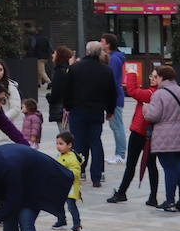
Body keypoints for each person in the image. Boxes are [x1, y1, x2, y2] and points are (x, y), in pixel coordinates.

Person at [59, 41, 116, 188]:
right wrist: (110, 110)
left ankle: (79, 171)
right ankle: (97, 176)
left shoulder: (74, 68)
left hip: (78, 110)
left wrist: (68, 106)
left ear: (86, 51)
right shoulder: (106, 70)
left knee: (78, 141)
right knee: (95, 141)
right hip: (96, 111)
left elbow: (67, 90)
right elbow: (111, 93)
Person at [141, 65, 180, 212]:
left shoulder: (159, 94)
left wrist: (146, 109)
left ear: (161, 77)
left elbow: (154, 115)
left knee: (169, 169)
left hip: (165, 136)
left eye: (156, 77)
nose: (155, 80)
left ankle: (170, 201)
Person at [106, 67, 160, 207]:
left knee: (133, 165)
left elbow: (132, 91)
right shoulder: (157, 92)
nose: (152, 79)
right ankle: (151, 197)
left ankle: (122, 193)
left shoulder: (152, 93)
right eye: (151, 76)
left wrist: (131, 74)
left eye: (155, 77)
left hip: (141, 133)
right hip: (149, 133)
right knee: (150, 165)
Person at [100, 33, 128, 166]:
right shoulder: (113, 57)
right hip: (114, 96)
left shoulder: (114, 59)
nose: (100, 43)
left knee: (117, 126)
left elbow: (112, 80)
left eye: (102, 41)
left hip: (114, 97)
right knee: (116, 125)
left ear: (108, 44)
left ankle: (121, 154)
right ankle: (119, 154)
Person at [0, 58, 24, 148]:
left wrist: (0, 121)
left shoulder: (10, 87)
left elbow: (16, 108)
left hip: (3, 131)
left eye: (0, 70)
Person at [50, 131, 83, 231]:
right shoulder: (61, 155)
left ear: (69, 145)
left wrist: (66, 173)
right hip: (61, 186)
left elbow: (76, 172)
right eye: (57, 143)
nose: (58, 146)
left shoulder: (72, 158)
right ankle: (61, 220)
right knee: (58, 204)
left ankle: (77, 224)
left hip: (71, 187)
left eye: (61, 144)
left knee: (71, 206)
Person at [46, 46, 71, 128]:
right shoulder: (67, 69)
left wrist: (50, 97)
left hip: (60, 109)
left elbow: (57, 92)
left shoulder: (59, 72)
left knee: (64, 133)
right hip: (67, 107)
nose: (53, 55)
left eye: (55, 53)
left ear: (59, 56)